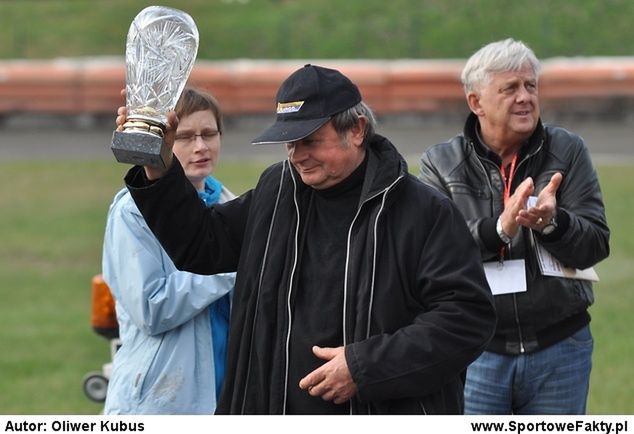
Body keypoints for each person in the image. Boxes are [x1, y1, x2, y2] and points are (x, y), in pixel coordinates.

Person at [120, 64, 496, 414]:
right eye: (289, 142)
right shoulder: (276, 189)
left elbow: (466, 318)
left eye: (311, 141)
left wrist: (364, 366)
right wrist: (159, 164)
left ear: (357, 130)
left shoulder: (423, 211)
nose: (298, 156)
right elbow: (202, 246)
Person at [419, 39, 610, 414]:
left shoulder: (567, 150)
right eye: (510, 88)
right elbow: (431, 258)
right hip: (476, 352)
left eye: (531, 86)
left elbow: (596, 244)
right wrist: (499, 230)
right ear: (476, 103)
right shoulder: (440, 163)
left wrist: (554, 224)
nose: (525, 97)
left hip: (561, 349)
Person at [102, 87, 235, 414]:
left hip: (225, 399)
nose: (201, 147)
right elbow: (152, 308)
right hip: (160, 402)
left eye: (209, 133)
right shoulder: (131, 213)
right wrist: (230, 269)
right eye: (186, 137)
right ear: (161, 143)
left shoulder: (229, 203)